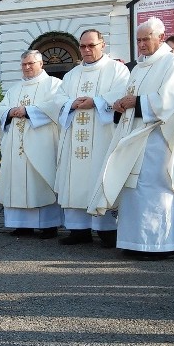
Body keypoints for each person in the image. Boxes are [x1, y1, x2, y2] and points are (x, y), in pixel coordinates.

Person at [88, 17, 174, 261]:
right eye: (138, 40)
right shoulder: (139, 67)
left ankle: (159, 245)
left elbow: (171, 100)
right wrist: (120, 104)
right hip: (133, 137)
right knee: (133, 191)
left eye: (146, 39)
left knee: (154, 191)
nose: (142, 44)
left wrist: (136, 103)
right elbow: (128, 95)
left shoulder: (172, 64)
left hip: (157, 141)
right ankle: (134, 241)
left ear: (160, 36)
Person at [55, 29, 130, 247]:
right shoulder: (71, 75)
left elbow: (123, 91)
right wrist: (71, 104)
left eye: (91, 45)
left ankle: (107, 230)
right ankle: (79, 230)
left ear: (102, 45)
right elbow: (58, 98)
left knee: (102, 178)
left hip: (103, 135)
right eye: (83, 46)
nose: (87, 50)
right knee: (75, 181)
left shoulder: (117, 69)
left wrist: (96, 101)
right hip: (74, 136)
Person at [0, 50, 66, 239]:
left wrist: (28, 111)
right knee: (16, 181)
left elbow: (57, 106)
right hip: (15, 147)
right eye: (24, 65)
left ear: (41, 64)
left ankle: (48, 225)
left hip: (42, 143)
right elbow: (0, 108)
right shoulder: (14, 89)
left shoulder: (54, 85)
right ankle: (21, 224)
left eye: (30, 64)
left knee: (41, 180)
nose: (26, 68)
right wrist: (9, 112)